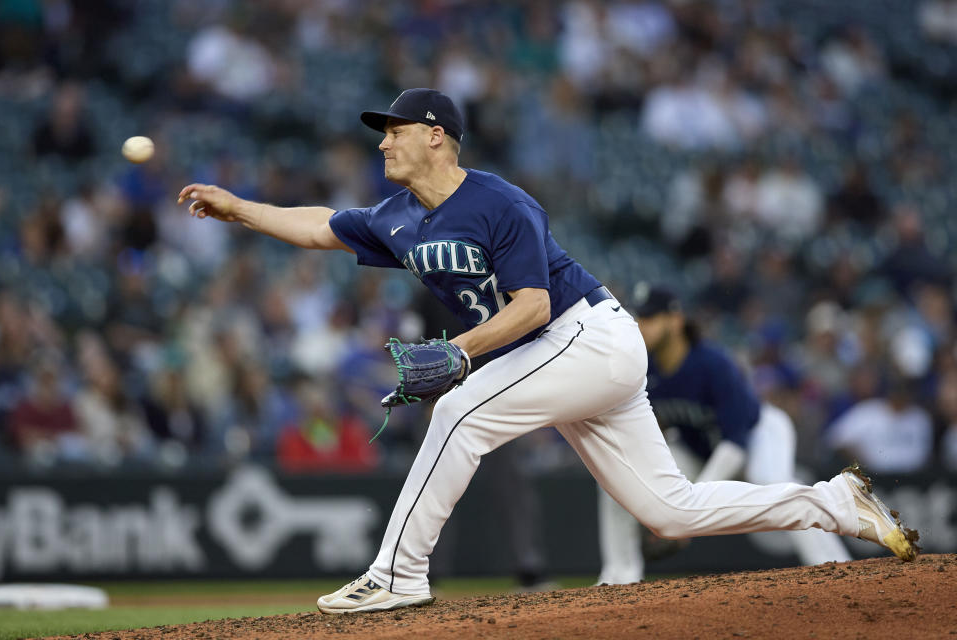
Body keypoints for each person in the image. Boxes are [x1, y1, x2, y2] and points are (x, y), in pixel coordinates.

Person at [177, 88, 917, 615]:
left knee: (461, 412)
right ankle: (834, 503)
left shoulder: (501, 202)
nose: (383, 141)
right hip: (560, 358)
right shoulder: (395, 216)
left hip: (588, 335)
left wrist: (459, 353)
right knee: (671, 511)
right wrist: (240, 208)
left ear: (436, 135)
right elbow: (317, 227)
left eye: (395, 129)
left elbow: (532, 305)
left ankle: (396, 573)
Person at [597, 286, 852, 585]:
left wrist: (688, 511)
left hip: (759, 434)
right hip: (700, 449)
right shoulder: (643, 368)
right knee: (620, 477)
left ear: (676, 319)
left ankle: (837, 568)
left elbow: (736, 444)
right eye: (640, 317)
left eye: (651, 317)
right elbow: (656, 430)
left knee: (773, 483)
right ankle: (619, 576)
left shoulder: (713, 364)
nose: (643, 324)